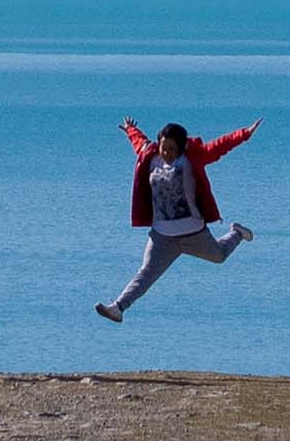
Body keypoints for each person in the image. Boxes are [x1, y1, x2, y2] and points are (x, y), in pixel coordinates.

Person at [96, 111, 256, 321]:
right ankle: (118, 308)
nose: (167, 153)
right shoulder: (149, 156)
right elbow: (138, 142)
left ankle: (236, 233)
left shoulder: (191, 159)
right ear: (158, 144)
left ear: (181, 148)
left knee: (219, 256)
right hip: (162, 236)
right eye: (164, 148)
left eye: (172, 149)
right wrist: (130, 129)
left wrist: (244, 134)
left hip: (193, 233)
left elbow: (219, 146)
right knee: (145, 274)